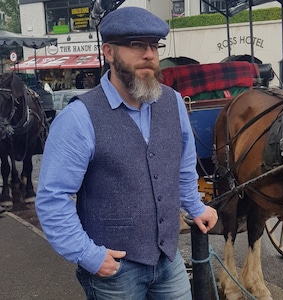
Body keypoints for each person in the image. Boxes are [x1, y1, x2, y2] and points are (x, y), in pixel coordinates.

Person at [36, 6, 218, 300]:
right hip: (115, 270)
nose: (149, 54)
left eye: (154, 46)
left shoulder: (172, 102)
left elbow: (183, 166)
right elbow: (52, 198)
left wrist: (194, 207)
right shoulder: (79, 117)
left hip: (168, 260)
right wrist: (88, 255)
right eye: (136, 45)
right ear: (109, 52)